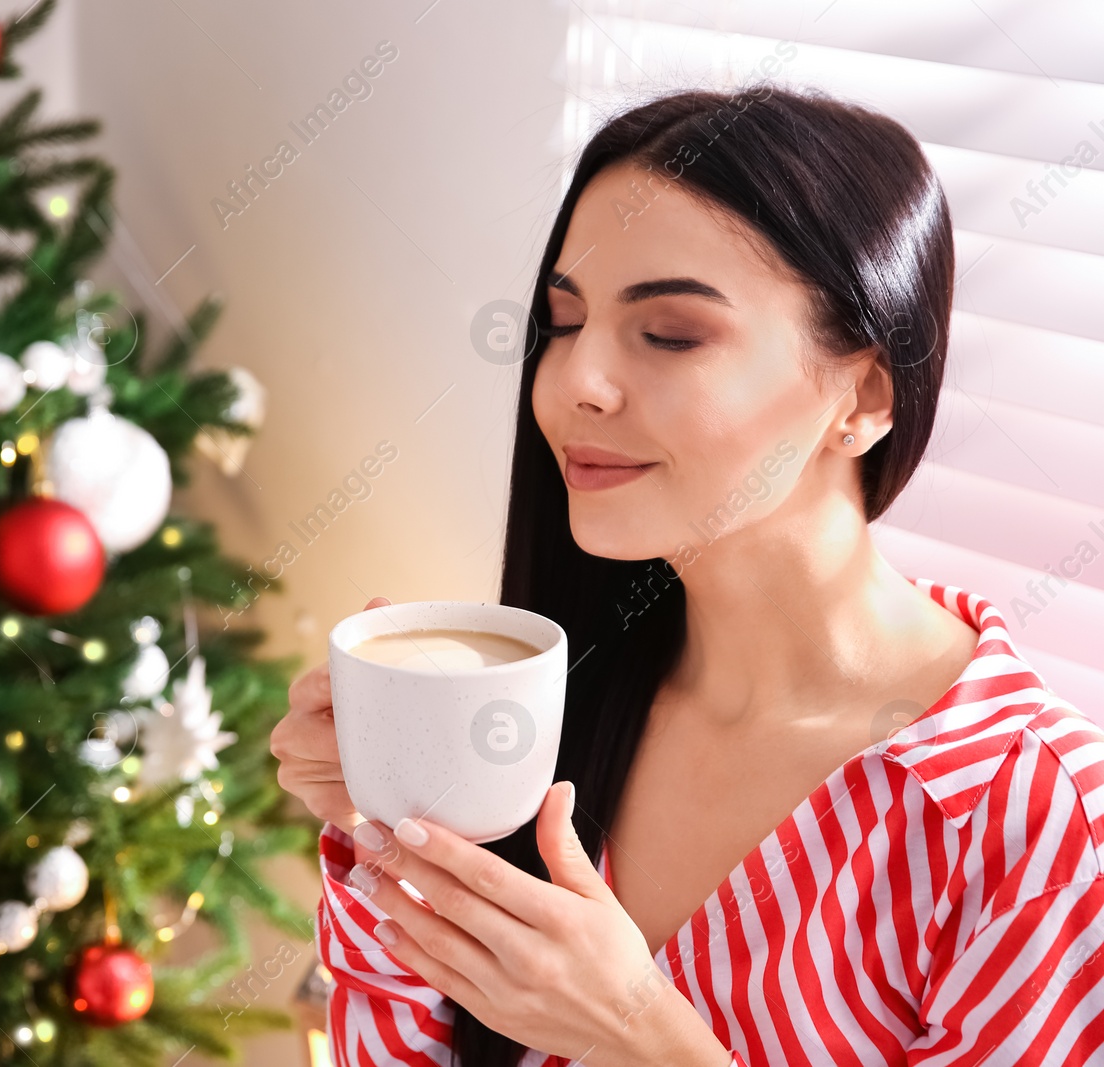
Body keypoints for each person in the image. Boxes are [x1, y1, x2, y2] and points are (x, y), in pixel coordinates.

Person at [271, 85, 1104, 1066]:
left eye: (668, 333)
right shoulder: (541, 704)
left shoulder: (1034, 820)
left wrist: (638, 1033)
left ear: (864, 396)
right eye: (565, 321)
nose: (577, 378)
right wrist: (388, 841)